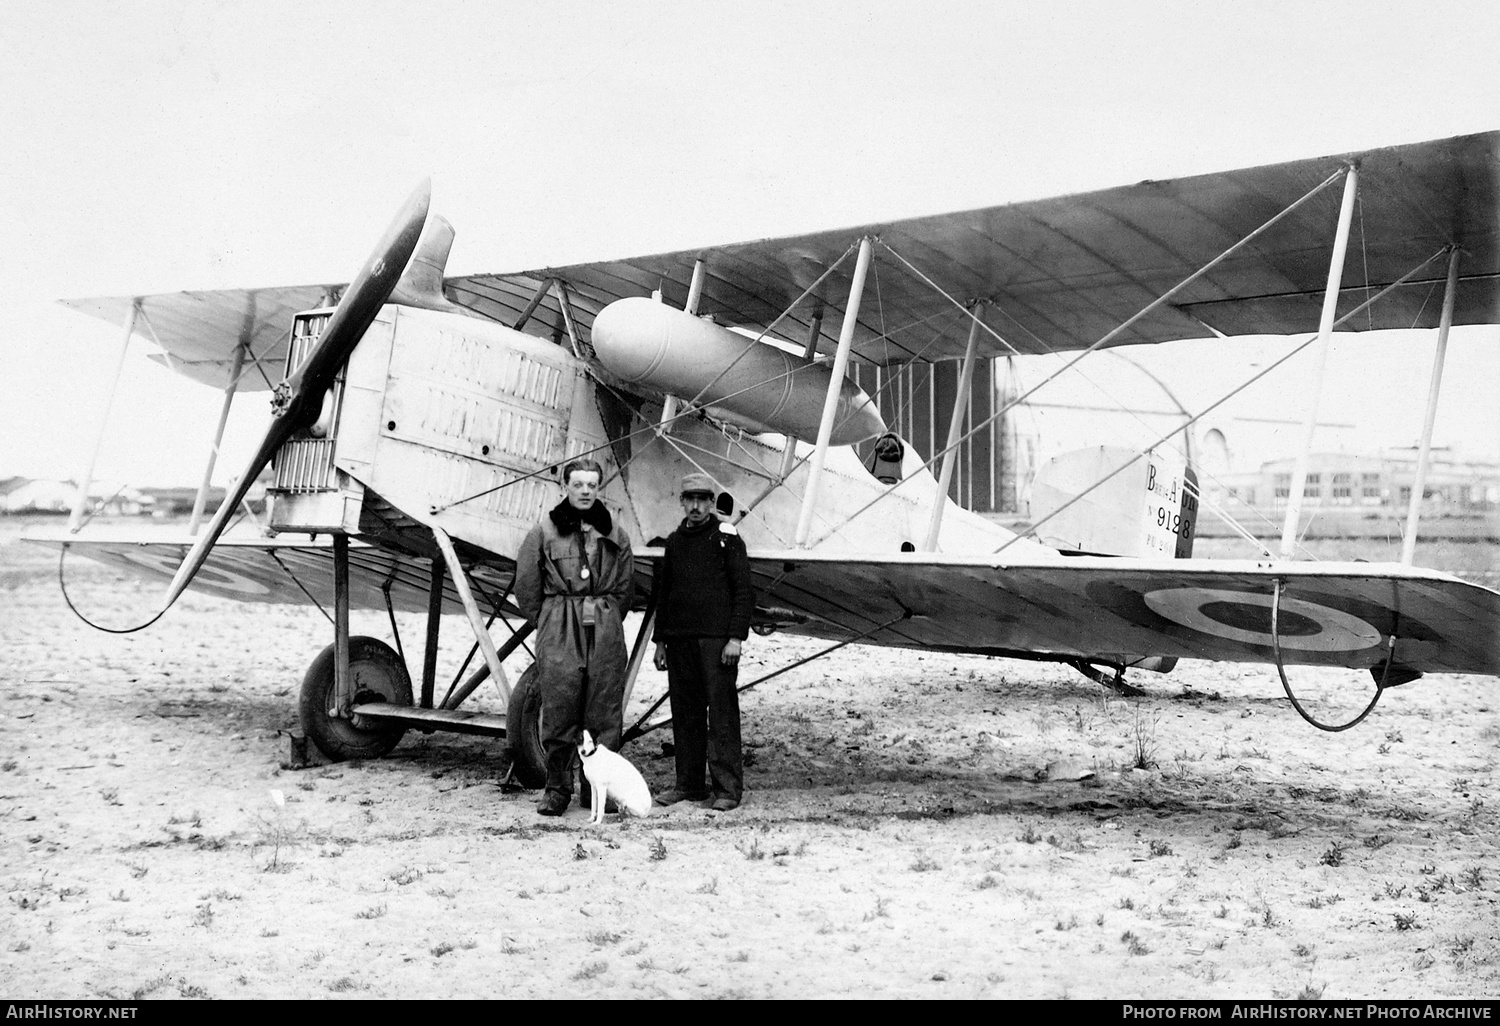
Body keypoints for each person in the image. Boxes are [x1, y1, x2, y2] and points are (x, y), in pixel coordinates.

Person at [515, 458, 635, 816]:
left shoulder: (614, 531)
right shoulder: (544, 531)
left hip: (604, 624)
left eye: (591, 485)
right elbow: (527, 584)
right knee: (560, 707)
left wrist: (609, 615)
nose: (585, 491)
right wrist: (550, 620)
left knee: (604, 708)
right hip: (559, 625)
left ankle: (595, 791)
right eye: (578, 484)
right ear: (565, 487)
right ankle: (557, 789)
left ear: (599, 489)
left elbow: (626, 586)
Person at [651, 473, 754, 812]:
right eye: (689, 499)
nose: (695, 506)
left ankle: (727, 789)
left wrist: (735, 638)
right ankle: (689, 785)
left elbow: (743, 592)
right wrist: (660, 642)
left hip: (716, 643)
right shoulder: (674, 542)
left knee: (721, 715)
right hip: (680, 642)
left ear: (712, 503)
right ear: (681, 502)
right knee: (685, 714)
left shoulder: (727, 538)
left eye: (702, 499)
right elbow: (663, 595)